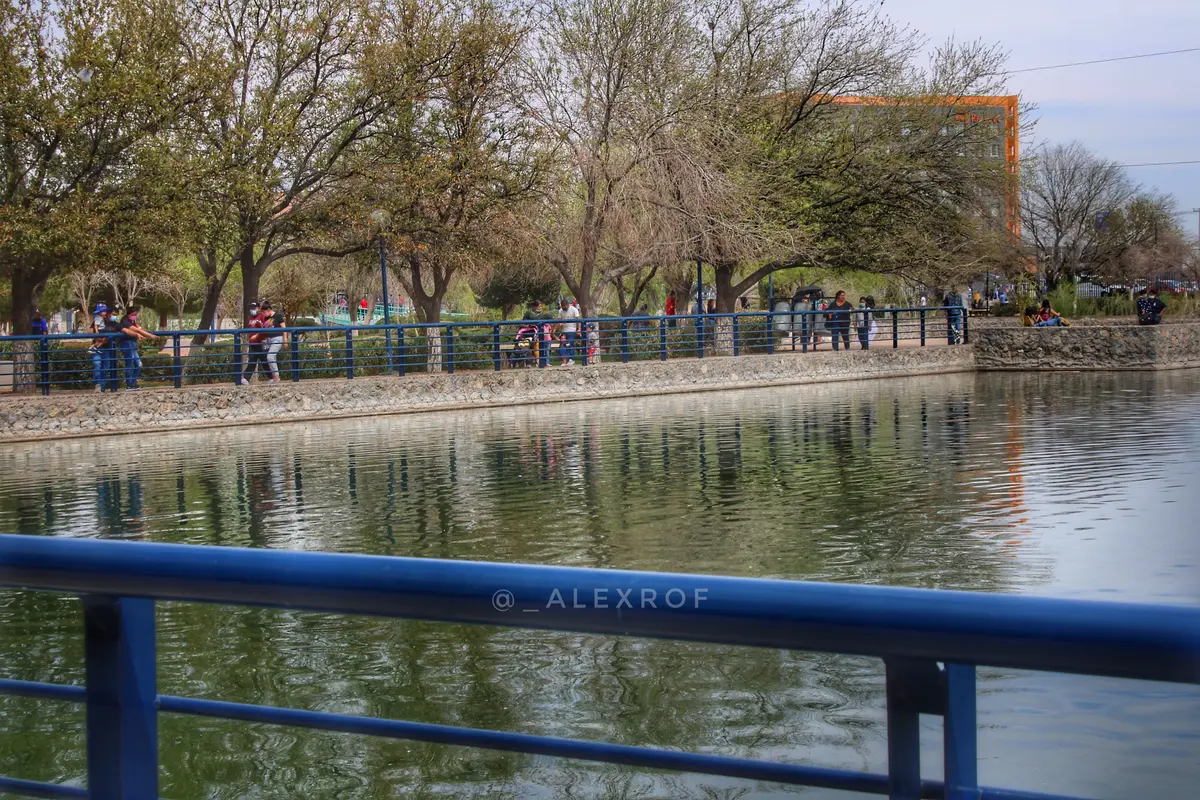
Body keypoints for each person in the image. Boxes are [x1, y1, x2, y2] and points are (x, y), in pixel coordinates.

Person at [117, 307, 156, 389]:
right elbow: (137, 330)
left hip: (132, 344)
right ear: (128, 314)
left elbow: (139, 329)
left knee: (138, 364)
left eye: (136, 314)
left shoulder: (133, 321)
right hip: (126, 344)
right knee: (129, 364)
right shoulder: (125, 321)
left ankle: (133, 383)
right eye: (133, 314)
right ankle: (129, 385)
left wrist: (146, 335)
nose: (135, 316)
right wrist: (150, 335)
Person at [89, 304, 119, 393]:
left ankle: (102, 387)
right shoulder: (98, 319)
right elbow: (91, 331)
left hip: (107, 347)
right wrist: (97, 337)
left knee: (106, 367)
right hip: (98, 345)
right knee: (97, 364)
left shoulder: (113, 323)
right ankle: (98, 385)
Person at [240, 302, 266, 384]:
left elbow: (265, 328)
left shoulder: (262, 316)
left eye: (254, 308)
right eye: (251, 308)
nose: (252, 310)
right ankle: (246, 378)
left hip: (260, 342)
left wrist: (258, 333)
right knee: (252, 360)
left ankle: (271, 376)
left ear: (258, 308)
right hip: (252, 343)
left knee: (264, 360)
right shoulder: (250, 318)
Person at [261, 301, 285, 382]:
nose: (263, 314)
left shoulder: (278, 316)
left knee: (270, 357)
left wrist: (285, 340)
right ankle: (273, 376)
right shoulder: (266, 318)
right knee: (269, 358)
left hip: (277, 338)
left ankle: (276, 376)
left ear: (268, 310)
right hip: (268, 339)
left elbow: (284, 328)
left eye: (264, 312)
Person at [556, 298, 580, 366]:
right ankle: (564, 360)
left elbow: (578, 320)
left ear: (568, 305)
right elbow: (559, 320)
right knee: (563, 345)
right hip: (564, 330)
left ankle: (571, 359)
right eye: (563, 308)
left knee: (570, 344)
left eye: (565, 307)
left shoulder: (574, 309)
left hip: (572, 330)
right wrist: (560, 326)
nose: (564, 309)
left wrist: (578, 329)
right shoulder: (560, 311)